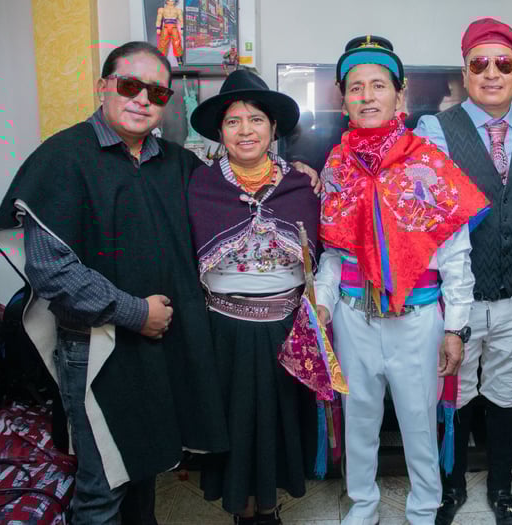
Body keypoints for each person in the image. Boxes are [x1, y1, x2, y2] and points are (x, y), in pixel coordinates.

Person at [0, 41, 229, 524]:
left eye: (157, 92)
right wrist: (137, 312)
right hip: (95, 347)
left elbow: (234, 197)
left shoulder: (176, 163)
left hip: (158, 343)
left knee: (145, 468)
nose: (143, 99)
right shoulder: (61, 157)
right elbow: (51, 270)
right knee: (103, 488)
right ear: (103, 86)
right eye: (130, 85)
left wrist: (292, 175)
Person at [314, 35, 488, 525]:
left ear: (400, 94)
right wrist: (322, 303)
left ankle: (424, 510)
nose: (367, 96)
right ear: (343, 100)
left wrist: (455, 328)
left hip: (417, 320)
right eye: (356, 87)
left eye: (378, 85)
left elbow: (456, 257)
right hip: (353, 319)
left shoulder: (429, 163)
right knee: (358, 422)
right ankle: (362, 506)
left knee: (418, 423)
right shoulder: (337, 166)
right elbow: (332, 256)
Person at [414, 18, 512, 525]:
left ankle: (501, 490)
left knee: (507, 394)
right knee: (456, 393)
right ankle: (451, 489)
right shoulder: (434, 129)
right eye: (480, 63)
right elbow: (422, 212)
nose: (491, 73)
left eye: (503, 64)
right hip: (459, 301)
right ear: (465, 73)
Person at [187, 69, 320, 525]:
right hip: (223, 332)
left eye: (256, 119)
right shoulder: (200, 186)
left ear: (273, 128)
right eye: (233, 121)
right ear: (220, 131)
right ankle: (242, 510)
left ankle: (269, 507)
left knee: (278, 420)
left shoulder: (302, 185)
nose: (245, 130)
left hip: (286, 329)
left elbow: (321, 257)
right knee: (235, 421)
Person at [156, 0, 183, 66]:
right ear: (166, 1)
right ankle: (161, 59)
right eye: (169, 0)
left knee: (177, 43)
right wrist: (158, 28)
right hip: (165, 27)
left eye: (172, 1)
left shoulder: (178, 10)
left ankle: (179, 59)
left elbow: (181, 20)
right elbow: (158, 19)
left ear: (175, 1)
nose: (171, 2)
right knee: (163, 43)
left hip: (174, 28)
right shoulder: (162, 10)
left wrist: (182, 29)